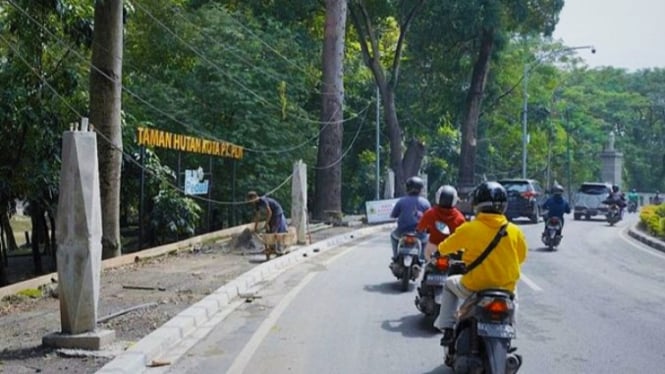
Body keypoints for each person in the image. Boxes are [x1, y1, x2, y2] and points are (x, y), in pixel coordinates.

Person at [433, 181, 528, 345]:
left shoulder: (469, 228)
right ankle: (510, 330)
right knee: (514, 299)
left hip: (474, 286)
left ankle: (447, 328)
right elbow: (521, 257)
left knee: (449, 284)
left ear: (477, 205)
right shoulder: (515, 231)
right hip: (505, 288)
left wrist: (438, 252)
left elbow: (446, 247)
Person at [416, 185, 466, 261]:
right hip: (452, 250)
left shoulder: (430, 213)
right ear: (454, 200)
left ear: (438, 198)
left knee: (425, 264)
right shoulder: (460, 218)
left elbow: (420, 228)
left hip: (433, 248)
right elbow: (463, 237)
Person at [390, 176, 431, 261]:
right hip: (419, 233)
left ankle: (395, 257)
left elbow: (393, 215)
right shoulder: (425, 202)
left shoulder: (401, 201)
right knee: (427, 238)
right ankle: (422, 258)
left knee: (393, 236)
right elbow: (430, 218)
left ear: (407, 188)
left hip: (402, 232)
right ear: (420, 189)